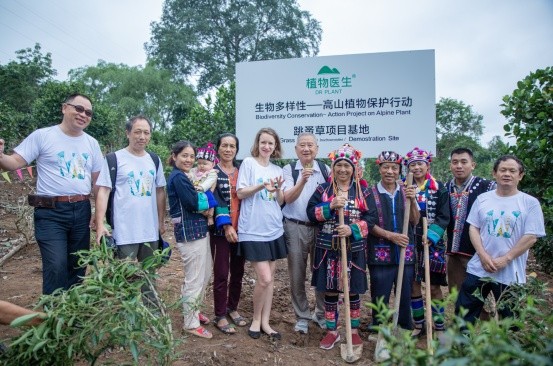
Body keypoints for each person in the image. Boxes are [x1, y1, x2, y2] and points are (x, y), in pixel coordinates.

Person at [0, 93, 103, 295]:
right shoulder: (43, 136)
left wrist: (98, 216)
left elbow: (98, 183)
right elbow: (14, 163)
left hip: (81, 210)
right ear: (65, 108)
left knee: (78, 265)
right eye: (79, 109)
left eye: (88, 112)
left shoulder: (92, 143)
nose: (83, 115)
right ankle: (53, 315)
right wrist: (1, 156)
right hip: (50, 213)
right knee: (55, 265)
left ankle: (71, 315)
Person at [455, 155, 545, 324]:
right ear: (494, 173)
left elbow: (531, 236)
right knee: (464, 314)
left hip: (510, 272)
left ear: (520, 175)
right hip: (480, 268)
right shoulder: (483, 199)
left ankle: (506, 350)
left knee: (510, 319)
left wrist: (506, 258)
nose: (507, 174)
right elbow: (473, 227)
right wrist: (482, 255)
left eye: (512, 171)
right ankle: (461, 348)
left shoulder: (530, 203)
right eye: (503, 170)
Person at [95, 115, 166, 307]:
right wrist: (100, 223)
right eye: (137, 132)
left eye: (146, 132)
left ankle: (152, 314)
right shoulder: (114, 159)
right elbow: (103, 191)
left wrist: (161, 221)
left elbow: (160, 191)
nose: (142, 137)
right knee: (122, 275)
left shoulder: (154, 160)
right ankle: (122, 315)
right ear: (128, 133)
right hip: (124, 231)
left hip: (149, 231)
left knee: (149, 275)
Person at [306, 143, 371, 350]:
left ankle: (352, 331)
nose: (343, 169)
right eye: (339, 165)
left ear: (354, 168)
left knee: (353, 292)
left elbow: (372, 218)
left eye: (347, 165)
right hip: (327, 249)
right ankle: (332, 332)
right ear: (333, 168)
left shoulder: (362, 190)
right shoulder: (323, 189)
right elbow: (310, 212)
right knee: (331, 292)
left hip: (354, 249)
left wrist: (353, 228)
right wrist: (329, 206)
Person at [236, 127, 287, 341]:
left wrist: (276, 190)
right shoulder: (248, 163)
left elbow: (281, 201)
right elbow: (240, 192)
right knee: (264, 278)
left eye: (271, 144)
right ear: (257, 143)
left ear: (276, 147)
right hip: (252, 229)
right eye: (263, 142)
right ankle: (256, 319)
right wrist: (261, 186)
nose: (267, 146)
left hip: (273, 228)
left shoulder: (278, 169)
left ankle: (266, 322)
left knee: (271, 279)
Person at [166, 140, 218, 338]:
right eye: (184, 155)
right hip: (189, 233)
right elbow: (192, 202)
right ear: (174, 156)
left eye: (191, 156)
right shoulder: (179, 177)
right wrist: (206, 208)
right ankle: (190, 323)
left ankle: (193, 310)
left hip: (198, 230)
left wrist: (205, 208)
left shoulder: (185, 176)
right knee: (194, 277)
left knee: (204, 273)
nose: (188, 159)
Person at [366, 151, 419, 331]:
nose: (390, 171)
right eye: (386, 167)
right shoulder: (370, 193)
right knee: (380, 292)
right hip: (380, 253)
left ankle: (403, 327)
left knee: (405, 292)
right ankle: (379, 327)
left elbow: (415, 220)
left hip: (405, 251)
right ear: (379, 169)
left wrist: (412, 201)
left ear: (399, 170)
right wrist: (391, 236)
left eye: (394, 168)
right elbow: (368, 224)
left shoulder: (407, 191)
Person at [282, 132, 329, 334]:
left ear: (317, 149)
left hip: (321, 228)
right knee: (297, 274)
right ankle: (302, 316)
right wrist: (302, 180)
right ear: (296, 149)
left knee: (322, 273)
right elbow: (287, 198)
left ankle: (321, 313)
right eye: (302, 145)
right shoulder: (289, 170)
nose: (306, 148)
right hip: (295, 227)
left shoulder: (326, 170)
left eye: (310, 145)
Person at [403, 147, 450, 338]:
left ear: (427, 165)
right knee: (414, 284)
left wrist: (431, 236)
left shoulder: (439, 189)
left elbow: (444, 216)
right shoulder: (404, 188)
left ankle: (438, 325)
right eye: (412, 164)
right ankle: (419, 324)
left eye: (419, 164)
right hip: (411, 242)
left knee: (433, 286)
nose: (416, 167)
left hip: (432, 243)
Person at [210, 133, 247, 334]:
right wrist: (226, 226)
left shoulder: (242, 172)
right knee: (222, 273)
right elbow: (215, 200)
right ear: (218, 148)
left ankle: (233, 307)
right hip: (220, 232)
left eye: (232, 146)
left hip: (243, 229)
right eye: (224, 145)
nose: (228, 149)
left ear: (236, 149)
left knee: (238, 272)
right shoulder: (212, 172)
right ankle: (220, 314)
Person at [446, 148, 496, 293]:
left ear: (473, 165)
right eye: (455, 162)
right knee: (456, 295)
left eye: (463, 162)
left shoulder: (487, 187)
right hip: (454, 254)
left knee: (482, 298)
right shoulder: (445, 188)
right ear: (450, 165)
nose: (459, 166)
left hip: (480, 253)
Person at [188, 142, 218, 227]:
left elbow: (209, 182)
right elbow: (189, 175)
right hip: (195, 190)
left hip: (205, 190)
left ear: (212, 164)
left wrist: (201, 187)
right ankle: (200, 213)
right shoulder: (194, 170)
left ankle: (210, 217)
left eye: (205, 164)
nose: (201, 166)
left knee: (211, 201)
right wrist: (188, 176)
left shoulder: (212, 173)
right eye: (199, 163)